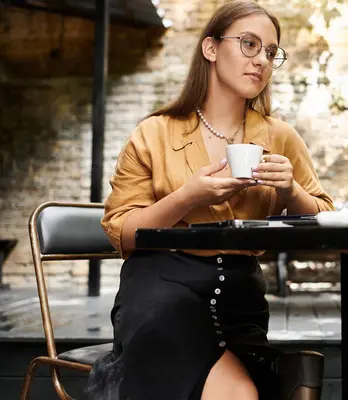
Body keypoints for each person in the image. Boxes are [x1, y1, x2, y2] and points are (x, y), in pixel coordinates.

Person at [84, 1, 334, 399]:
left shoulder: (280, 137)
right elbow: (122, 234)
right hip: (159, 290)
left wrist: (292, 191)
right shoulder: (154, 133)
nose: (262, 61)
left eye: (271, 52)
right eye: (249, 45)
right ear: (211, 49)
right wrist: (187, 197)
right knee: (238, 394)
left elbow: (326, 224)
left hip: (240, 300)